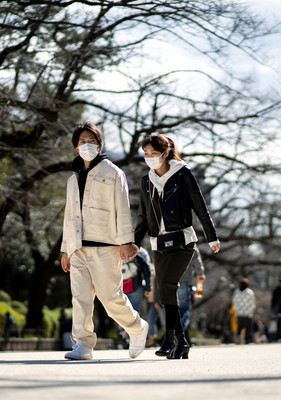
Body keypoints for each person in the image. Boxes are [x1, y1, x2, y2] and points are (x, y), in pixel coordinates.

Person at [60, 122, 148, 361]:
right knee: (80, 298)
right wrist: (65, 249)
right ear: (76, 149)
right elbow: (69, 215)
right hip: (77, 248)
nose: (86, 145)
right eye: (81, 142)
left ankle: (137, 328)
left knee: (110, 297)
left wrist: (127, 241)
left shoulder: (113, 173)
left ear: (99, 144)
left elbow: (122, 206)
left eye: (90, 140)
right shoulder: (72, 180)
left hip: (106, 247)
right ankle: (83, 345)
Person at [134, 134, 219, 359]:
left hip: (183, 240)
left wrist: (212, 237)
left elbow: (200, 207)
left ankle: (169, 339)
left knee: (168, 284)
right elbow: (142, 217)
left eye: (154, 153)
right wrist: (133, 244)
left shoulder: (182, 174)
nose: (150, 158)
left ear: (165, 153)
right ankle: (182, 343)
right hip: (158, 243)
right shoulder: (146, 181)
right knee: (165, 290)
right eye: (146, 154)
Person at [119, 247, 152, 344]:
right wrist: (148, 287)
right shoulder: (140, 252)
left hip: (121, 287)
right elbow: (147, 270)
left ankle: (124, 331)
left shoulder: (117, 250)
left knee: (121, 310)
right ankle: (131, 336)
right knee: (135, 311)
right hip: (136, 286)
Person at [178, 246, 206, 335]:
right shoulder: (189, 240)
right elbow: (196, 258)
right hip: (184, 278)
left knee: (172, 309)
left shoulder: (166, 236)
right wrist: (200, 273)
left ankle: (172, 334)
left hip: (168, 279)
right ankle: (179, 334)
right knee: (184, 309)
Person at [232, 278, 256, 344]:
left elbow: (234, 302)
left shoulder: (236, 292)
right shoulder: (249, 293)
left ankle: (238, 337)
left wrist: (236, 310)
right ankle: (247, 340)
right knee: (248, 328)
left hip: (239, 313)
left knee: (239, 327)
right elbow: (252, 303)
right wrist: (251, 311)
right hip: (247, 313)